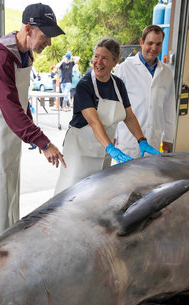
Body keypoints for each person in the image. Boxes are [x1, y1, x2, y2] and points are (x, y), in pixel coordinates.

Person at [0, 3, 67, 241]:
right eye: (46, 36)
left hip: (9, 134)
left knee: (9, 196)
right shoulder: (2, 57)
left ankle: (6, 248)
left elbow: (21, 100)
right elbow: (10, 105)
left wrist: (30, 128)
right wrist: (43, 142)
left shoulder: (25, 54)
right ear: (28, 29)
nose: (49, 43)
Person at [54, 38, 160, 194]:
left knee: (96, 195)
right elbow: (94, 121)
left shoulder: (118, 85)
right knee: (71, 194)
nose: (99, 62)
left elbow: (128, 116)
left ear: (115, 61)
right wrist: (112, 148)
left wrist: (142, 141)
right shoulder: (84, 85)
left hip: (103, 151)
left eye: (105, 58)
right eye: (96, 56)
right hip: (80, 151)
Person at [114, 25, 177, 156]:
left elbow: (169, 106)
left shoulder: (166, 73)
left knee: (149, 175)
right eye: (150, 43)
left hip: (153, 138)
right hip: (128, 139)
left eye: (158, 44)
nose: (154, 48)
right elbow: (115, 104)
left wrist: (168, 136)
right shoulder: (125, 69)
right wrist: (113, 134)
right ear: (142, 43)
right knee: (125, 175)